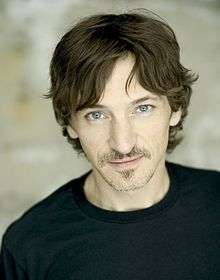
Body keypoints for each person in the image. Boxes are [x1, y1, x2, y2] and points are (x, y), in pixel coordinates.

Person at [0, 8, 219, 279]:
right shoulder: (29, 245)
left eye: (143, 109)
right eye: (97, 115)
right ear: (70, 123)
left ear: (174, 109)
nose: (123, 143)